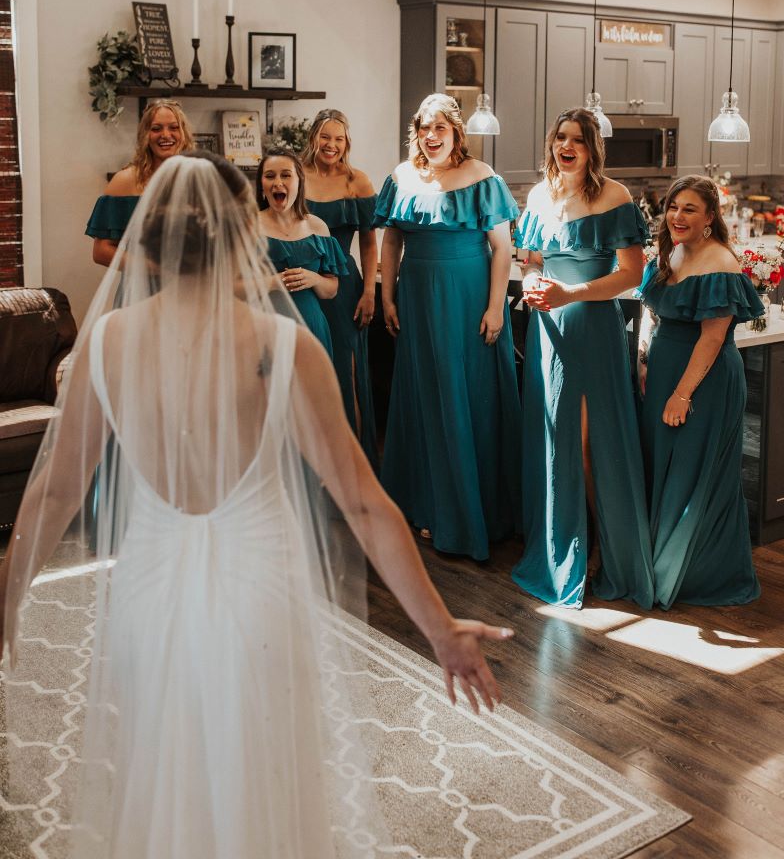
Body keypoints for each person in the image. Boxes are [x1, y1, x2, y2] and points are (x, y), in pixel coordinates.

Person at [0, 153, 511, 859]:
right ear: (244, 235)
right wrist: (441, 629)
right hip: (260, 585)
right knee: (263, 769)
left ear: (149, 241)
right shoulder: (283, 346)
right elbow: (363, 505)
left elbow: (57, 487)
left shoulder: (107, 342)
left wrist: (8, 594)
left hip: (149, 587)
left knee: (165, 762)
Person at [514, 108, 655, 607]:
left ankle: (602, 551)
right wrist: (533, 284)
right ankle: (559, 547)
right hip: (548, 332)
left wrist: (571, 293)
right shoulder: (537, 196)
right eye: (560, 137)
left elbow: (631, 276)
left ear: (594, 149)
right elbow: (530, 263)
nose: (565, 146)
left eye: (577, 139)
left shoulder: (614, 196)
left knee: (591, 447)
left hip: (593, 330)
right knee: (555, 442)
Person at [376, 93, 521, 561]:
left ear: (457, 132)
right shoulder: (401, 177)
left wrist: (496, 307)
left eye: (441, 127)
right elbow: (392, 238)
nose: (432, 136)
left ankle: (473, 512)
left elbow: (502, 248)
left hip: (468, 298)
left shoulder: (483, 178)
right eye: (424, 128)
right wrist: (386, 295)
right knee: (423, 397)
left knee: (468, 396)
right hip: (417, 298)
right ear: (416, 132)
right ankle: (426, 506)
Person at [637, 174, 763, 610]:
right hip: (665, 372)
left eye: (689, 209)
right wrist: (644, 360)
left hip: (702, 382)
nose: (677, 216)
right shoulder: (671, 254)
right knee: (666, 469)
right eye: (673, 206)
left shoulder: (721, 263)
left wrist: (682, 394)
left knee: (695, 472)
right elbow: (653, 315)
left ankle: (695, 574)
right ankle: (661, 561)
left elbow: (711, 338)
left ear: (710, 218)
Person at [302, 109, 379, 467]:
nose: (331, 145)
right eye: (325, 137)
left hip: (346, 284)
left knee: (346, 370)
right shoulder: (296, 176)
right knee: (307, 369)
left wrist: (369, 292)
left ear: (347, 143)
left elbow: (369, 242)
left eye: (339, 138)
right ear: (314, 138)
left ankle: (354, 465)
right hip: (300, 282)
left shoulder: (357, 182)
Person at [256, 146, 346, 356]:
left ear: (299, 182)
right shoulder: (247, 227)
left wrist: (314, 279)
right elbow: (233, 289)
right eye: (270, 176)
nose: (278, 182)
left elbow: (331, 289)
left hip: (311, 330)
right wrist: (273, 282)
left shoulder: (317, 227)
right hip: (265, 329)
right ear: (262, 186)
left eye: (286, 175)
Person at [86, 99, 195, 266]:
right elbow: (101, 251)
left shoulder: (196, 177)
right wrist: (156, 269)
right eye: (156, 129)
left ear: (184, 134)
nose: (166, 135)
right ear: (145, 135)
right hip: (141, 288)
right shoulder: (125, 181)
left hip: (192, 287)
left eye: (173, 127)